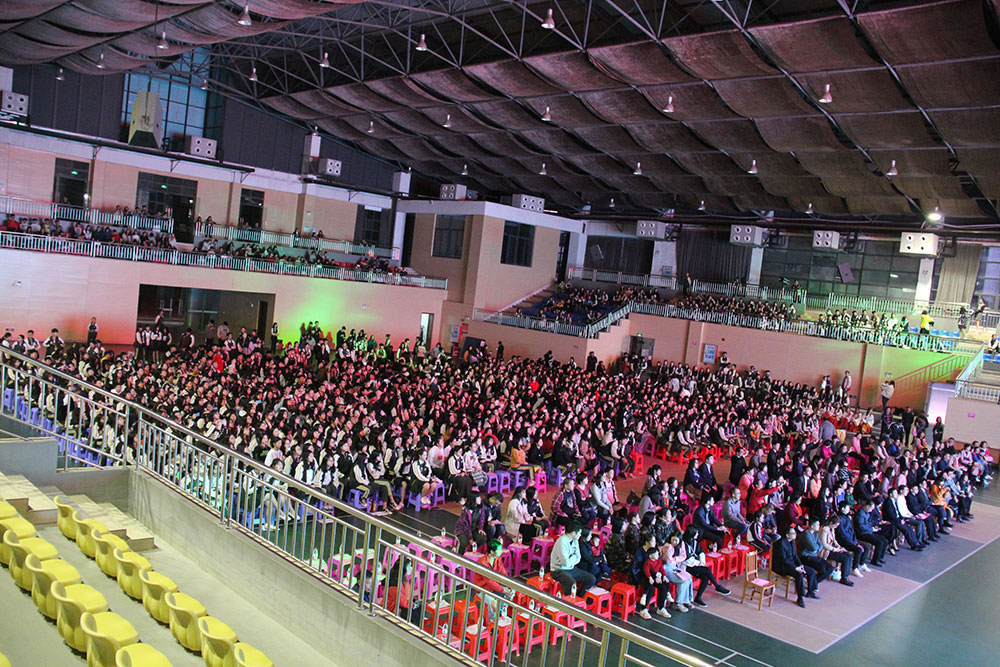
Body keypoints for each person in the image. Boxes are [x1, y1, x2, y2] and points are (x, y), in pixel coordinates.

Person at [680, 526, 730, 607]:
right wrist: (699, 563)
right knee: (706, 570)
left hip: (694, 565)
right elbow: (687, 559)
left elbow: (701, 552)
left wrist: (702, 561)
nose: (698, 534)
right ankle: (717, 586)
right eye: (696, 533)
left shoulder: (694, 542)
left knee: (705, 577)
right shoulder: (683, 544)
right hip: (686, 566)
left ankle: (698, 598)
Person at [772, 526, 819, 608]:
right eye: (793, 533)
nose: (795, 535)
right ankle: (800, 598)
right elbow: (783, 560)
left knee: (811, 571)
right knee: (799, 575)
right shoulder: (780, 544)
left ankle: (811, 592)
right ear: (787, 535)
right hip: (782, 566)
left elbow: (795, 556)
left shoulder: (792, 542)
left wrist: (800, 565)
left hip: (792, 564)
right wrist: (795, 568)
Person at [549, 521, 596, 595]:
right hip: (558, 570)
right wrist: (574, 557)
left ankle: (579, 598)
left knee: (591, 579)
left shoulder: (575, 541)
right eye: (579, 533)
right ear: (574, 533)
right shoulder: (562, 542)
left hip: (572, 569)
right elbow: (565, 562)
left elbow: (578, 558)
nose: (580, 535)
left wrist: (572, 559)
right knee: (571, 583)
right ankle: (568, 602)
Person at [638, 547, 673, 619]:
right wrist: (651, 577)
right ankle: (643, 609)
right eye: (655, 554)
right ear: (650, 555)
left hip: (657, 578)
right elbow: (646, 571)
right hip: (647, 578)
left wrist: (664, 576)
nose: (657, 555)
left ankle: (661, 607)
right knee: (650, 588)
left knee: (664, 586)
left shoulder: (659, 561)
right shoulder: (647, 562)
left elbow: (661, 569)